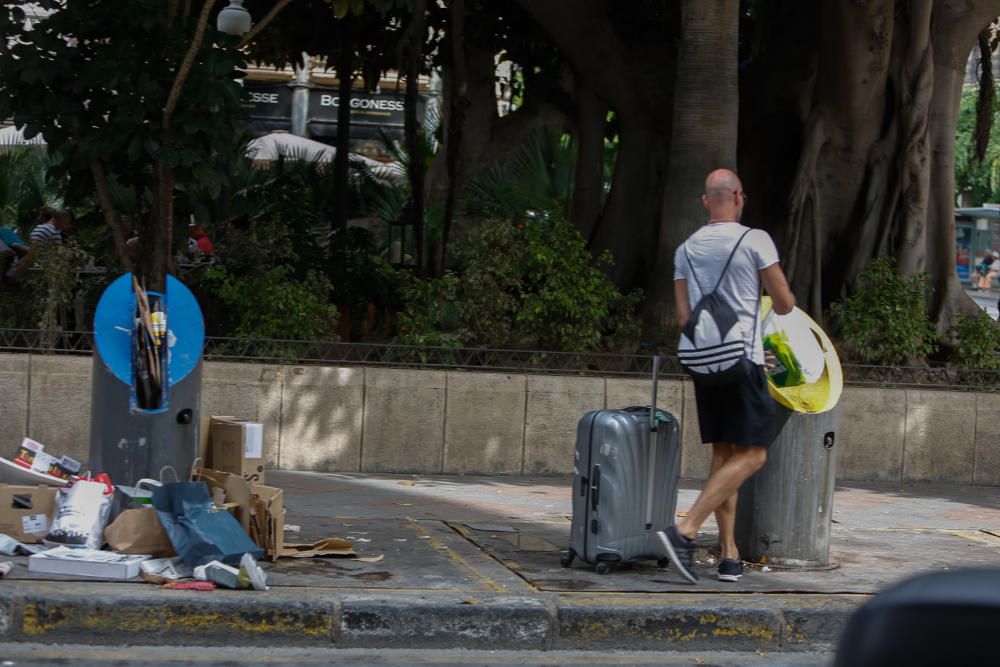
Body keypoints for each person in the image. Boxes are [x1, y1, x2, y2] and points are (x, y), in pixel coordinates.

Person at [659, 168, 796, 584]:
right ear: (739, 196)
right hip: (743, 360)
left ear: (706, 201)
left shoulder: (685, 249)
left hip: (704, 363)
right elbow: (786, 302)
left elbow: (684, 317)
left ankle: (730, 554)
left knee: (724, 455)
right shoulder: (754, 240)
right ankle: (684, 528)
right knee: (753, 454)